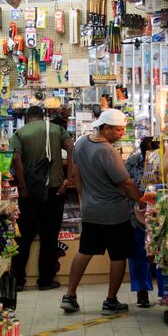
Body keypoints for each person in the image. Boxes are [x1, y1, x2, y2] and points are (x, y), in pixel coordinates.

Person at [60, 109, 141, 316]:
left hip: (91, 210)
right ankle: (111, 301)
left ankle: (69, 296)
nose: (122, 133)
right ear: (105, 128)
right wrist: (141, 200)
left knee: (85, 250)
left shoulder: (81, 143)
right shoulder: (108, 151)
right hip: (114, 212)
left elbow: (76, 172)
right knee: (118, 255)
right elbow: (125, 182)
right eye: (118, 130)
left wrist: (82, 198)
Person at [9, 106, 76, 291]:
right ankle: (46, 280)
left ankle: (18, 281)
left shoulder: (19, 133)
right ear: (43, 116)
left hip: (29, 192)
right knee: (49, 237)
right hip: (54, 188)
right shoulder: (56, 129)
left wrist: (22, 186)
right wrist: (68, 177)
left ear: (27, 118)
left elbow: (16, 160)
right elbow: (71, 148)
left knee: (23, 237)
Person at [125, 137, 157, 307]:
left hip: (159, 214)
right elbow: (124, 184)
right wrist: (139, 199)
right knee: (138, 253)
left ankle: (166, 292)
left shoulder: (161, 161)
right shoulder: (132, 161)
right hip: (136, 214)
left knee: (160, 253)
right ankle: (141, 292)